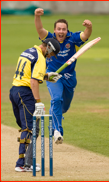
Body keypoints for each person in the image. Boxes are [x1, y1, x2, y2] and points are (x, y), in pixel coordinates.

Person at [34, 8, 92, 144]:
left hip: (69, 77)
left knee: (63, 107)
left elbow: (85, 36)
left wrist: (89, 27)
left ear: (67, 31)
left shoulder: (73, 39)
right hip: (52, 76)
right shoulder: (49, 38)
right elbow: (40, 29)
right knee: (56, 99)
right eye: (58, 29)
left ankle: (57, 114)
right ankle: (57, 131)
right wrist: (37, 16)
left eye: (63, 29)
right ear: (54, 30)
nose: (61, 32)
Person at [9, 38, 61, 172]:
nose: (50, 57)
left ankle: (27, 161)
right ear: (48, 48)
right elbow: (33, 81)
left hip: (15, 91)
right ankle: (22, 164)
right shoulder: (40, 58)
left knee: (27, 128)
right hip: (25, 93)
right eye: (51, 54)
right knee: (30, 129)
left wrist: (46, 76)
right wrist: (38, 102)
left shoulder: (28, 51)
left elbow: (29, 74)